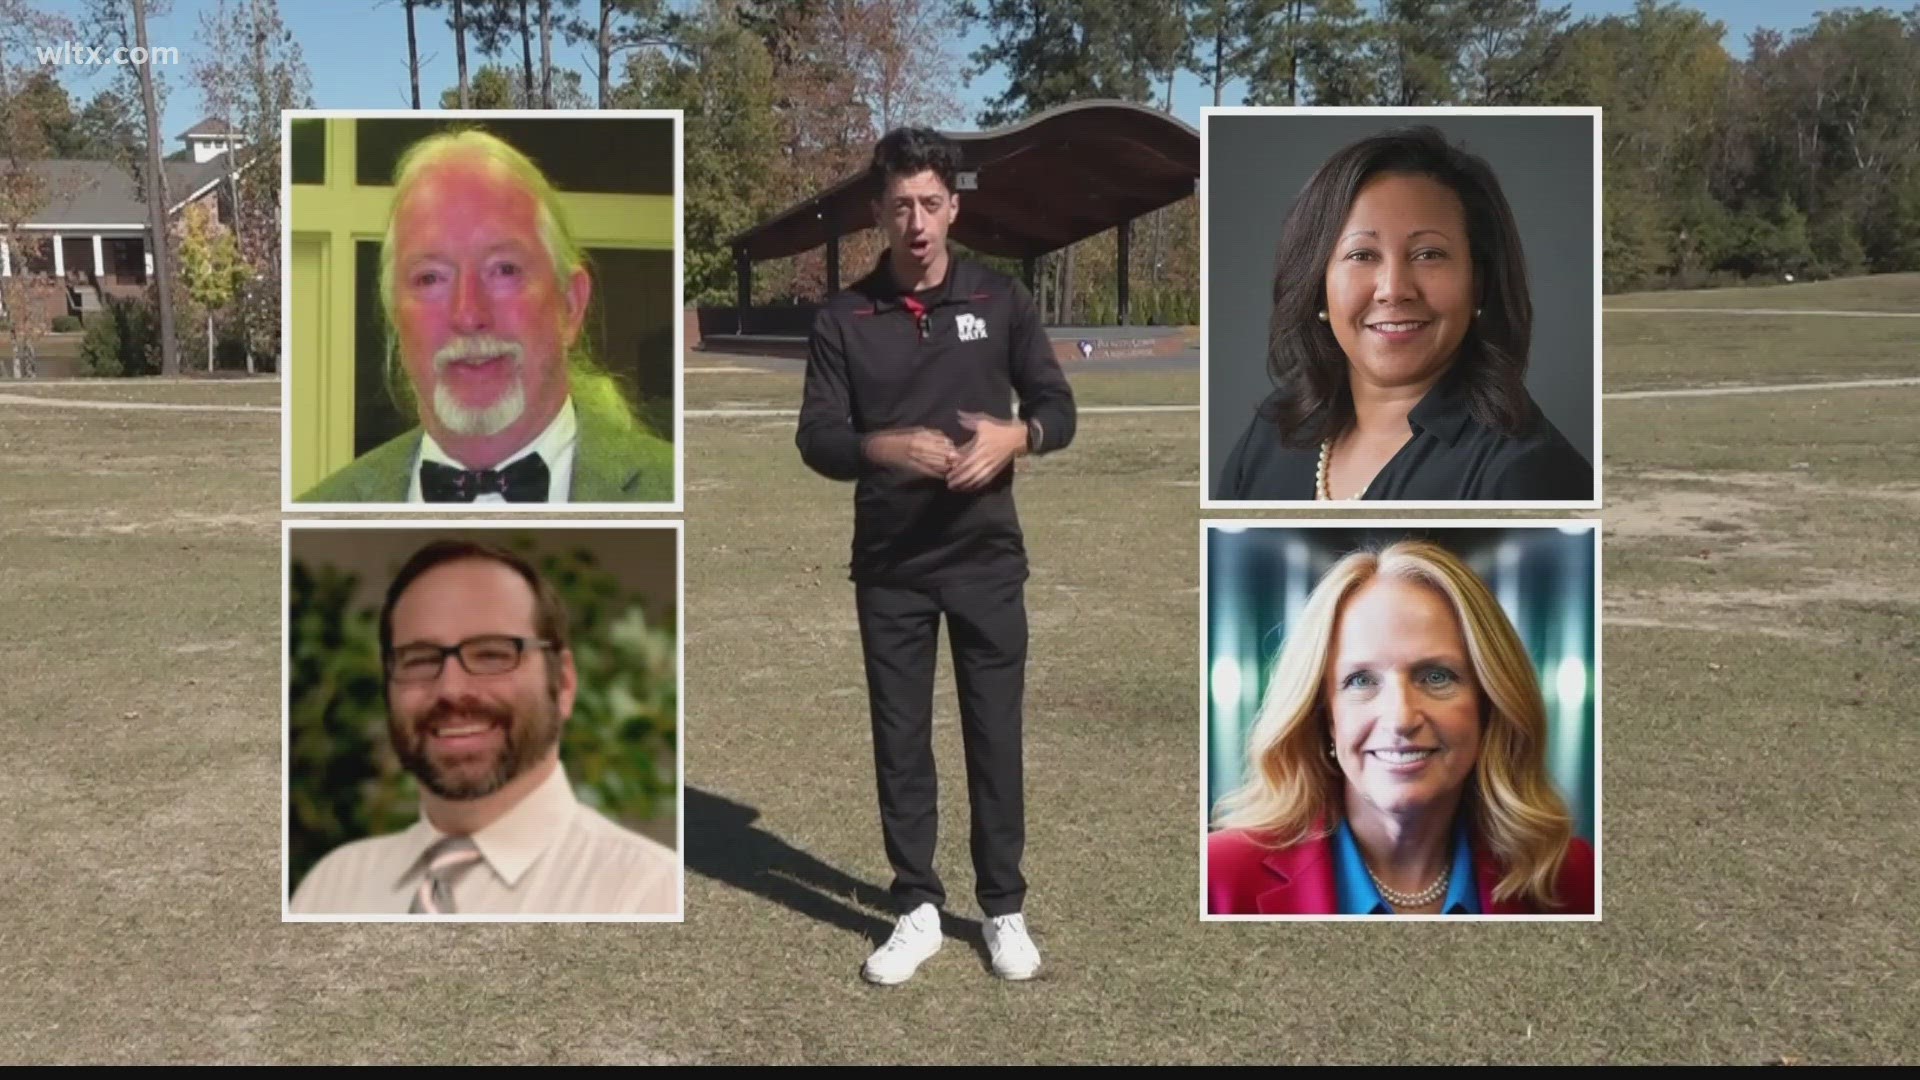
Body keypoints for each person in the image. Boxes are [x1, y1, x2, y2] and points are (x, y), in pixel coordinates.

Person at [796, 126, 1077, 984]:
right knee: (902, 741)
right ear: (878, 213)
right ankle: (916, 906)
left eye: (930, 204)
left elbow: (1059, 409)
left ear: (953, 207)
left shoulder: (1000, 299)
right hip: (891, 570)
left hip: (986, 561)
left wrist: (1014, 437)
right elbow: (818, 438)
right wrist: (884, 448)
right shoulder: (844, 318)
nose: (916, 222)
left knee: (995, 737)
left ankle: (1003, 910)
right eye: (899, 206)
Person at [290, 539, 679, 915]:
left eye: (493, 654)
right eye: (420, 659)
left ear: (563, 683)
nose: (451, 689)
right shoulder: (330, 886)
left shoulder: (648, 891)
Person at [1207, 540, 1594, 915]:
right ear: (1324, 715)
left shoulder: (1575, 877)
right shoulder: (1216, 877)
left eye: (1436, 677)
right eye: (1361, 680)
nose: (1401, 719)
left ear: (1489, 703)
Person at [1216, 126, 1591, 502]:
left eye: (1429, 254)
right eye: (1362, 255)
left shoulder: (1525, 473)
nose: (1394, 289)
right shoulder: (1275, 429)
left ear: (1478, 282)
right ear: (1317, 284)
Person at [297, 129, 673, 504]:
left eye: (504, 270)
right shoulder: (315, 515)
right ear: (395, 316)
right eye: (430, 278)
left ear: (570, 306)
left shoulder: (675, 492)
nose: (468, 314)